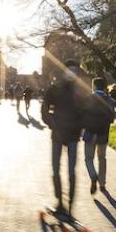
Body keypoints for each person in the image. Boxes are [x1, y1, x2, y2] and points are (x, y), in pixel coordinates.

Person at [41, 59, 88, 216]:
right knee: (55, 170)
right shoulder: (55, 89)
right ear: (65, 71)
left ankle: (70, 207)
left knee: (72, 172)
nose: (72, 73)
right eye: (70, 70)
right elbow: (44, 109)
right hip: (57, 135)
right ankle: (59, 203)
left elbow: (86, 111)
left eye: (75, 70)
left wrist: (81, 125)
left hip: (73, 136)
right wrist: (52, 124)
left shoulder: (81, 90)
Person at [83, 77, 116, 194]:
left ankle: (93, 176)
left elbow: (82, 116)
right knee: (102, 158)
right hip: (103, 133)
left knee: (88, 158)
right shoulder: (111, 101)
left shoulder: (87, 99)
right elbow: (112, 119)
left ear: (94, 86)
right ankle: (102, 183)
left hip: (89, 133)